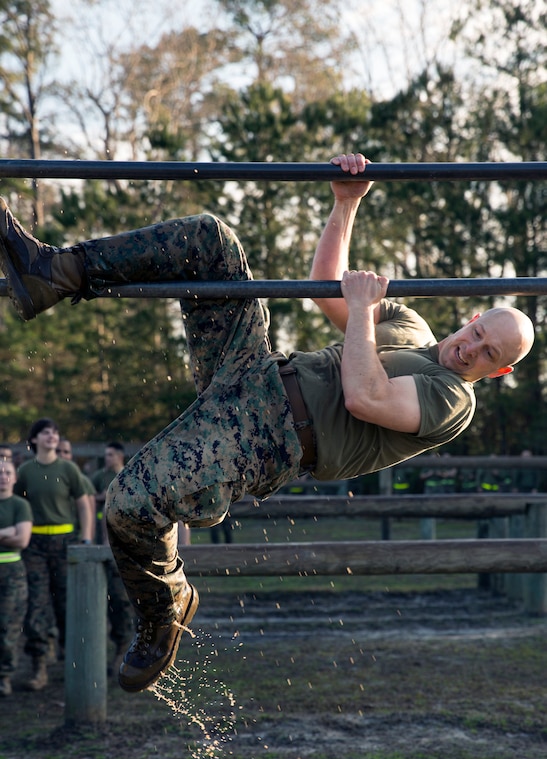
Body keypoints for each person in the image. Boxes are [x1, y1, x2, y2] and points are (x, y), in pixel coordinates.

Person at [0, 152, 535, 694]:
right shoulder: (410, 323)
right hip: (256, 369)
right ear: (471, 318)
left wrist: (360, 311)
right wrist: (346, 204)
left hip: (275, 437)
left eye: (489, 354)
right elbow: (323, 283)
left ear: (500, 371)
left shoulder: (452, 400)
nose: (472, 351)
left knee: (128, 503)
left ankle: (165, 605)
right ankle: (52, 273)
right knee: (210, 240)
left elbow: (365, 397)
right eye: (478, 334)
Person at [13, 419, 92, 690]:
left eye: (56, 432)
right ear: (34, 439)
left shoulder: (68, 469)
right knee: (36, 604)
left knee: (67, 604)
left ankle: (74, 663)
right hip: (33, 544)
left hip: (64, 543)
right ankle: (39, 667)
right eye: (46, 432)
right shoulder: (24, 471)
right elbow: (15, 504)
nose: (52, 436)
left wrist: (86, 538)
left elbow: (83, 504)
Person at [91, 442, 135, 675]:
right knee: (116, 601)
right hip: (110, 545)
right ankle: (121, 648)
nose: (107, 458)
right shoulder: (100, 477)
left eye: (110, 455)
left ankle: (135, 650)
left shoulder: (132, 478)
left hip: (134, 548)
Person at [0, 452, 33, 696]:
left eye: (8, 473)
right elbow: (15, 534)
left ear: (14, 478)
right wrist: (7, 532)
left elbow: (22, 539)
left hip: (12, 573)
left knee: (8, 628)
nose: (3, 477)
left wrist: (10, 533)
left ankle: (4, 676)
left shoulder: (20, 505)